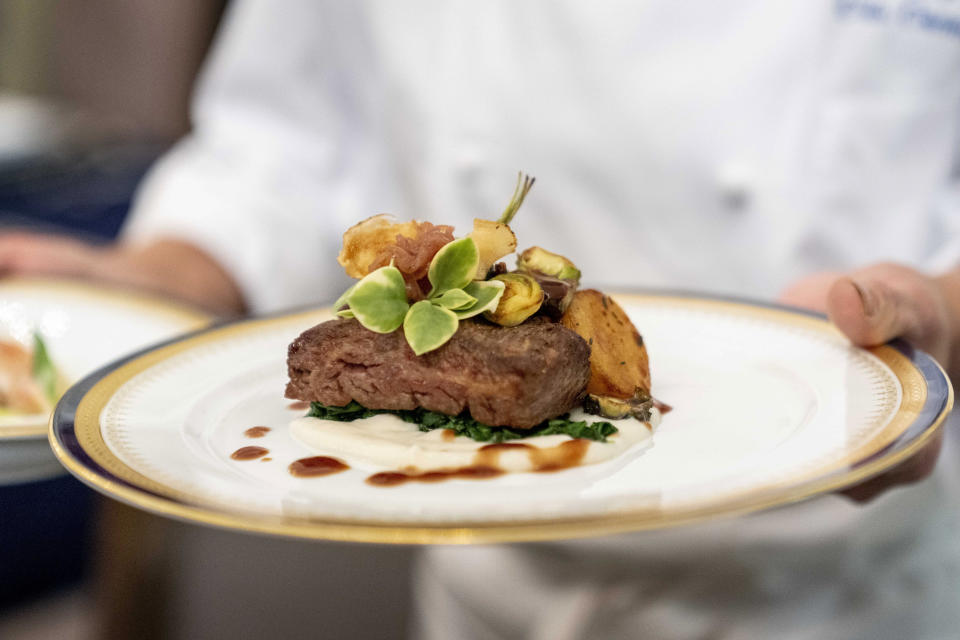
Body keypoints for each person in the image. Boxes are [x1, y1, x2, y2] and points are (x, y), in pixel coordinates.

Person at [3, 1, 960, 637]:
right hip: (488, 587)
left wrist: (941, 309)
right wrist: (150, 279)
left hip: (856, 593)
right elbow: (284, 149)